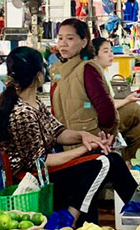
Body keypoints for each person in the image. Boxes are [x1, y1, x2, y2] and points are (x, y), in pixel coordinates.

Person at [0, 47, 138, 223]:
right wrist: (84, 149)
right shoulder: (22, 112)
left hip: (42, 170)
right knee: (103, 162)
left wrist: (83, 136)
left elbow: (57, 132)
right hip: (31, 181)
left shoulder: (33, 102)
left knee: (111, 159)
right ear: (39, 75)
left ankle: (139, 210)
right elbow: (39, 161)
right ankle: (70, 218)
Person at [50, 18, 119, 146]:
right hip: (66, 143)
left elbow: (107, 112)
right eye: (60, 38)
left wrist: (99, 137)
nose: (63, 44)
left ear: (83, 42)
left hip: (89, 144)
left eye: (70, 39)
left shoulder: (87, 69)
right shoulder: (58, 69)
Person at [92, 38, 140, 160]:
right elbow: (102, 107)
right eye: (106, 51)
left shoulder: (103, 74)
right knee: (135, 109)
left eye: (111, 51)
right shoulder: (93, 76)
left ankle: (131, 165)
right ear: (94, 55)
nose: (111, 55)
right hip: (97, 123)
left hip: (109, 117)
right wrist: (127, 101)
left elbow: (110, 102)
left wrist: (127, 99)